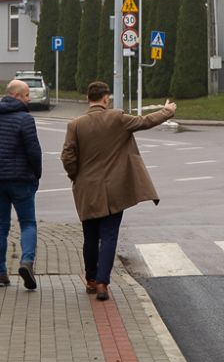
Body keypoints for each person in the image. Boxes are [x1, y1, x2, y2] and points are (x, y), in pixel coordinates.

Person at [62, 81, 177, 301]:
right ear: (106, 98)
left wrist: (75, 176)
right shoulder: (117, 118)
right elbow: (145, 122)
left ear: (89, 98)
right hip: (115, 190)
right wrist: (167, 111)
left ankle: (91, 280)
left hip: (87, 190)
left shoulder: (75, 125)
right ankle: (103, 284)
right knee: (109, 236)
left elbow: (67, 156)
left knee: (90, 237)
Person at [0, 78, 43, 289]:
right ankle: (26, 262)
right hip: (22, 179)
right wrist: (37, 173)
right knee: (28, 223)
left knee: (0, 226)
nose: (29, 98)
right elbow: (34, 150)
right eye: (26, 95)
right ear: (15, 96)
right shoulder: (24, 119)